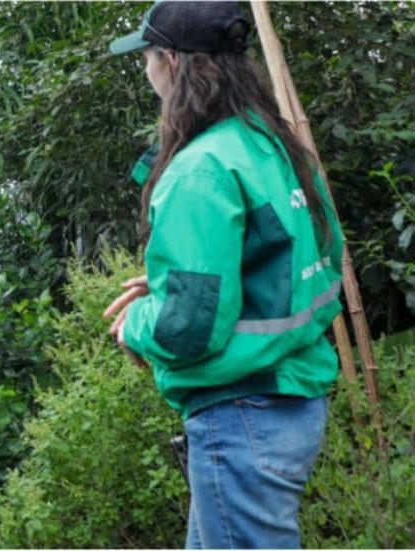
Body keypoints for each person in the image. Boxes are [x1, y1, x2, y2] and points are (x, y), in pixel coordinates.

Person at [102, 2, 345, 548]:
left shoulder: (201, 167)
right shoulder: (274, 144)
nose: (145, 70)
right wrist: (179, 289)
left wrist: (141, 319)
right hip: (294, 399)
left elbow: (187, 329)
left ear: (170, 60)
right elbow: (318, 263)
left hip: (243, 417)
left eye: (145, 56)